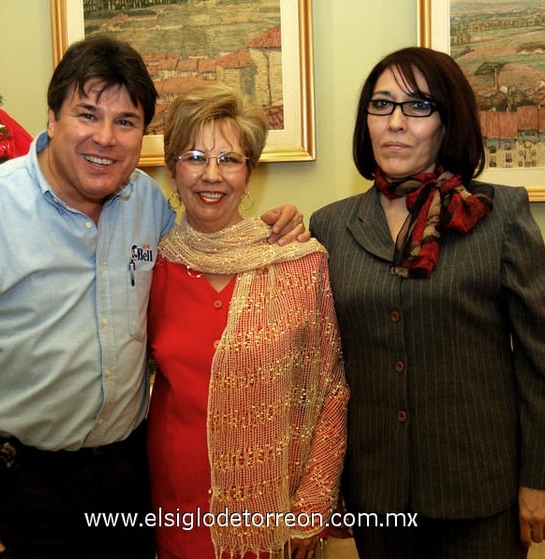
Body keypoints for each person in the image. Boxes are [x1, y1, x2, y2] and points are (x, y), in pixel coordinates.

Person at [0, 35, 306, 559]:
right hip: (12, 485)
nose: (105, 138)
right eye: (87, 114)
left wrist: (275, 228)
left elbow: (207, 244)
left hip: (123, 483)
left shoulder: (146, 205)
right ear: (53, 117)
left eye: (125, 122)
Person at [309, 47, 545, 558]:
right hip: (377, 493)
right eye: (381, 105)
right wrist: (327, 480)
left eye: (418, 106)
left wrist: (541, 478)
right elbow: (324, 369)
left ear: (448, 124)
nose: (396, 123)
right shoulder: (330, 226)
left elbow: (543, 360)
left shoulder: (500, 214)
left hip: (478, 488)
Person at [146, 83, 349, 559]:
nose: (211, 175)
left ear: (249, 173)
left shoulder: (299, 261)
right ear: (172, 171)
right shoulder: (150, 266)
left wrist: (313, 506)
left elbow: (330, 387)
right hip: (174, 509)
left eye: (230, 159)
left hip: (275, 510)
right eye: (194, 157)